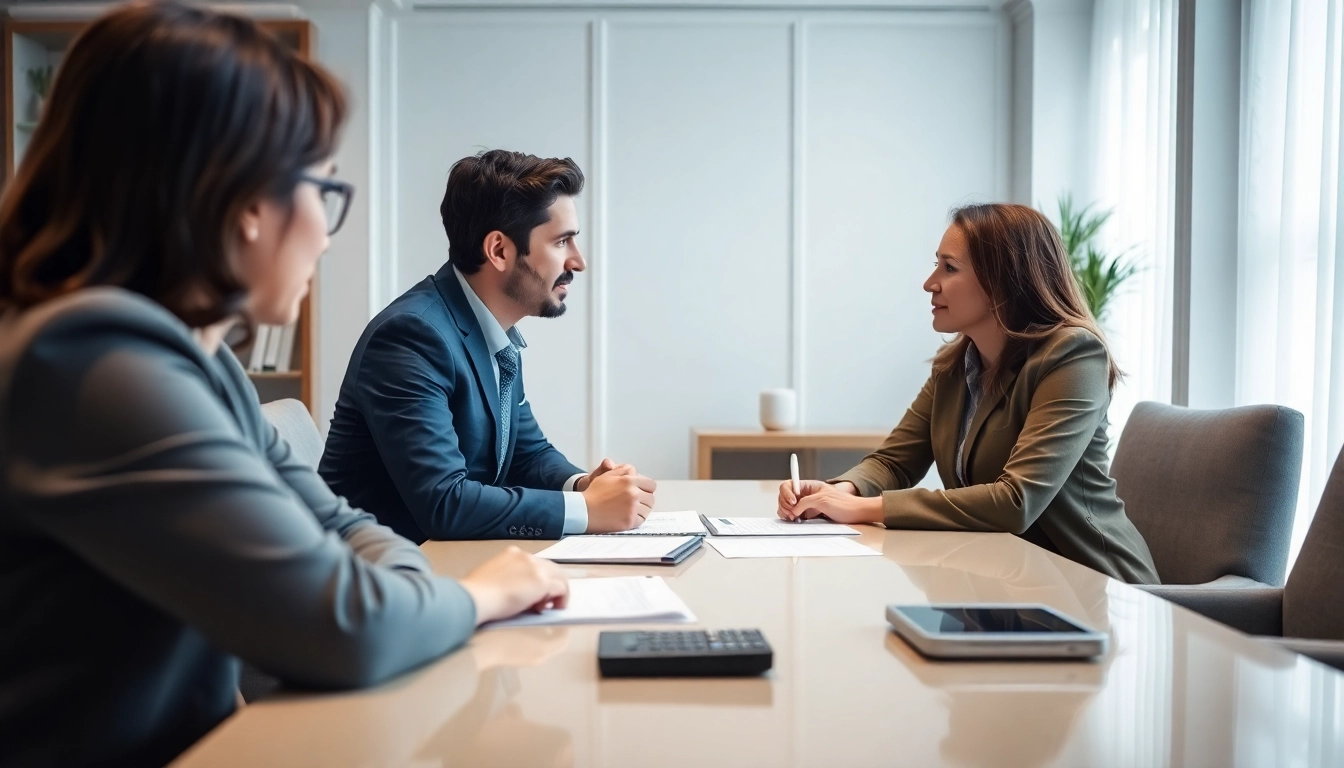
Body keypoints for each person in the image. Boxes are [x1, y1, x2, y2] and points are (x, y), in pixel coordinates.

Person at [0, 4, 568, 766]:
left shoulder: (203, 368)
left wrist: (396, 585)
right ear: (241, 202)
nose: (325, 236)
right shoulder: (94, 367)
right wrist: (482, 595)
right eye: (323, 192)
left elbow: (340, 526)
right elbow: (350, 624)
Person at [777, 203, 1160, 584]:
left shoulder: (1073, 356)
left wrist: (862, 508)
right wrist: (839, 491)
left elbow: (1016, 501)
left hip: (1095, 588)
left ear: (1002, 280)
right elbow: (894, 463)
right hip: (1005, 583)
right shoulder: (955, 366)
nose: (930, 283)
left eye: (949, 268)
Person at [319, 149, 655, 543]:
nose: (578, 262)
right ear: (499, 250)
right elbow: (445, 503)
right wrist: (586, 510)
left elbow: (527, 454)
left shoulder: (495, 333)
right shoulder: (410, 338)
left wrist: (583, 486)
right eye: (562, 241)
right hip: (379, 569)